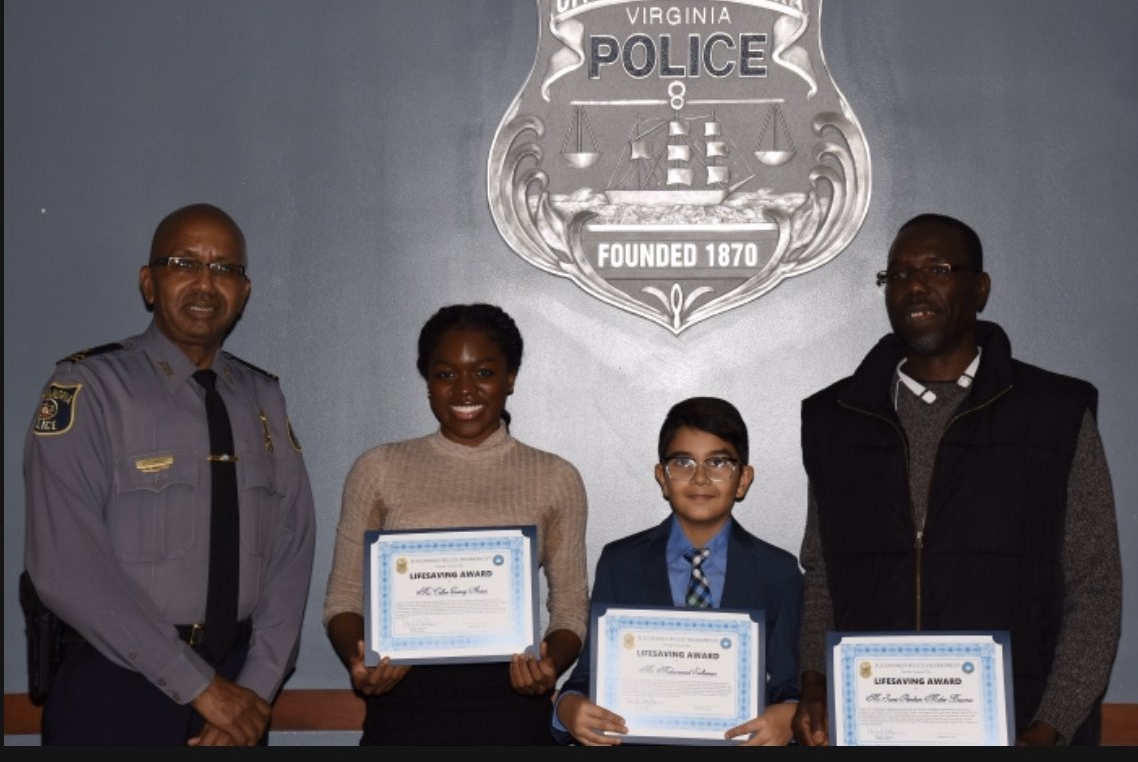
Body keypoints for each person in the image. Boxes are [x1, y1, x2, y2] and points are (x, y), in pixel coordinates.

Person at [792, 213, 1122, 746]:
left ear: (980, 288)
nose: (915, 285)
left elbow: (1095, 586)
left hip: (1020, 730)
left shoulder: (1056, 414)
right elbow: (823, 574)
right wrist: (814, 682)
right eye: (897, 275)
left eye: (937, 268)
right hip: (873, 727)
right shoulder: (835, 419)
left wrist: (1049, 726)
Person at [22, 203, 317, 746]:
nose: (206, 283)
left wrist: (251, 692)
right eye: (184, 262)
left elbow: (291, 555)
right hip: (115, 685)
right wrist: (202, 688)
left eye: (226, 269)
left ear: (244, 292)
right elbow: (68, 568)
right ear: (149, 283)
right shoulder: (89, 391)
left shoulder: (263, 398)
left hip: (236, 691)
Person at [323, 302, 589, 745]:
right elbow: (343, 599)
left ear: (510, 377)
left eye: (483, 372)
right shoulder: (379, 469)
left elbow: (570, 610)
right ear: (427, 382)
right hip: (401, 713)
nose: (464, 390)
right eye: (446, 374)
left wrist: (548, 665)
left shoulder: (555, 477)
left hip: (514, 715)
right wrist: (360, 660)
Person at [552, 396, 803, 746]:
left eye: (718, 462)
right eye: (683, 462)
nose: (700, 477)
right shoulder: (620, 562)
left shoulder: (778, 571)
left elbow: (790, 680)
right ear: (663, 477)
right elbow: (589, 673)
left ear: (743, 479)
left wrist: (790, 713)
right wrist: (568, 707)